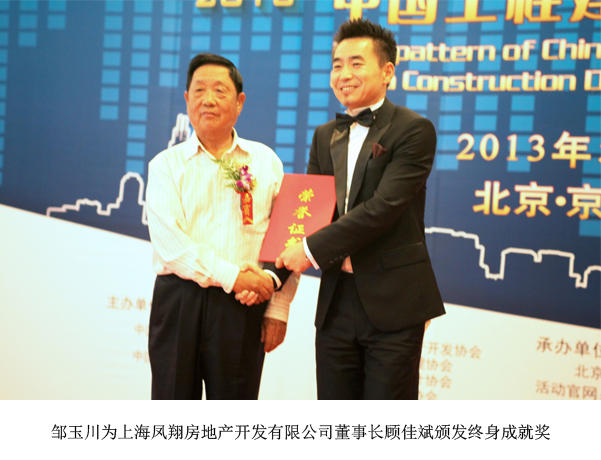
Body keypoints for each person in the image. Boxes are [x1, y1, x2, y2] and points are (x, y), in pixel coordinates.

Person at [276, 19, 445, 399]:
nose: (344, 74)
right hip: (336, 302)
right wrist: (272, 276)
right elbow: (309, 211)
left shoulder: (414, 129)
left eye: (356, 63)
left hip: (394, 302)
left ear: (387, 72)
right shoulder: (325, 135)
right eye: (337, 65)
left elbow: (383, 208)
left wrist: (308, 250)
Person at [146, 53, 298, 400]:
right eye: (199, 90)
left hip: (243, 305)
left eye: (220, 90)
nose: (208, 100)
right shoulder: (166, 165)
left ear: (239, 102)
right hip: (180, 303)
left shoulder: (266, 162)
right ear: (187, 99)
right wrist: (234, 277)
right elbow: (171, 247)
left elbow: (287, 237)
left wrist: (278, 308)